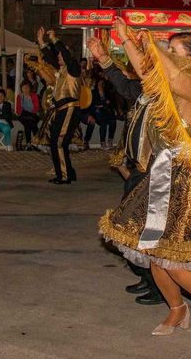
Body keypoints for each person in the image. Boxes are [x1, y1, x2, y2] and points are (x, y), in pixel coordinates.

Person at [99, 19, 191, 347]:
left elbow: (168, 70)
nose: (167, 55)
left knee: (176, 261)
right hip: (161, 174)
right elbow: (149, 70)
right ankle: (177, 309)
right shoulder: (170, 82)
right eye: (168, 50)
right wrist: (126, 41)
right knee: (154, 255)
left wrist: (148, 43)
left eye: (174, 50)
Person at [86, 35, 165, 307]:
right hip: (139, 170)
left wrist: (126, 44)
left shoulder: (164, 90)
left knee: (145, 229)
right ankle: (145, 276)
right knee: (129, 227)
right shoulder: (145, 89)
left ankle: (159, 286)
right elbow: (124, 85)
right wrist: (103, 59)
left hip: (156, 171)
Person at [37, 27, 83, 184]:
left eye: (61, 54)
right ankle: (68, 173)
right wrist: (42, 42)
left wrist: (54, 39)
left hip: (69, 108)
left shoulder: (74, 68)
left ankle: (64, 175)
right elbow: (50, 57)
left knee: (59, 142)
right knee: (57, 142)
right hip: (61, 109)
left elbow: (65, 54)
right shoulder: (63, 69)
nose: (58, 56)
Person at [15, 81, 41, 148]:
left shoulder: (34, 95)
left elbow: (36, 108)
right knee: (31, 124)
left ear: (30, 88)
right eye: (23, 88)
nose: (25, 89)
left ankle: (28, 143)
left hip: (32, 115)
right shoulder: (20, 96)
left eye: (27, 88)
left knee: (28, 124)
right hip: (24, 116)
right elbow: (18, 109)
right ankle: (37, 142)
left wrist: (30, 110)